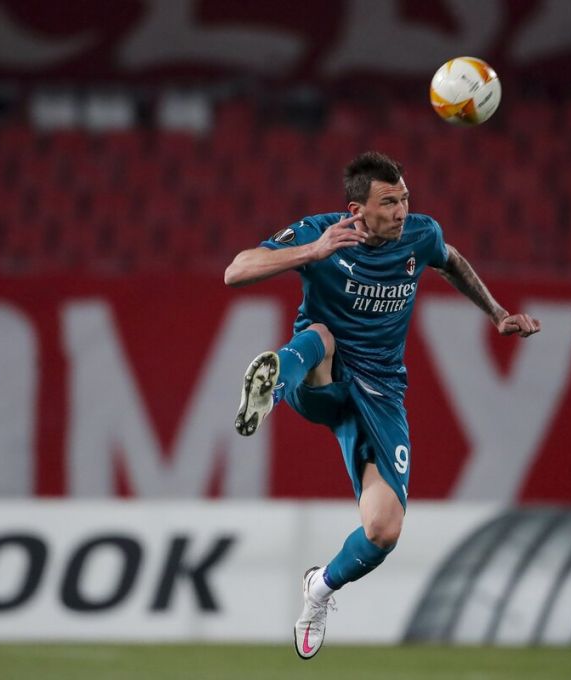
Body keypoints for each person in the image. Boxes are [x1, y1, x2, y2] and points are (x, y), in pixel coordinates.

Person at [223, 151, 539, 659]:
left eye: (405, 198)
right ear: (355, 209)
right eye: (389, 202)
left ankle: (319, 589)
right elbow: (236, 271)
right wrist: (312, 252)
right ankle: (272, 388)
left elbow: (452, 260)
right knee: (321, 335)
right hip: (321, 376)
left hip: (381, 394)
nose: (401, 211)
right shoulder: (319, 232)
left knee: (383, 530)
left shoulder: (420, 235)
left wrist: (498, 314)